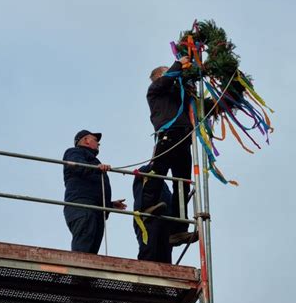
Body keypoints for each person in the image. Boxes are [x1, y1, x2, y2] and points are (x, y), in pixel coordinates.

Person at [140, 57, 198, 246]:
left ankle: (179, 229)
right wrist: (179, 64)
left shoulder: (177, 94)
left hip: (183, 139)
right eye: (166, 71)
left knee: (182, 184)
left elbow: (197, 107)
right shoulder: (156, 90)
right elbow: (167, 80)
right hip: (168, 135)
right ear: (158, 76)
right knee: (158, 172)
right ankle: (147, 206)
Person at [63, 130, 126, 254]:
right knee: (84, 246)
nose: (98, 144)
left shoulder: (92, 160)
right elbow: (77, 165)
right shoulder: (74, 152)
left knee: (91, 250)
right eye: (96, 140)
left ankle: (83, 272)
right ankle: (78, 271)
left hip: (95, 209)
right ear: (86, 140)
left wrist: (110, 204)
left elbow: (92, 190)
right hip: (83, 207)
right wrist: (96, 169)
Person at [133, 164, 172, 263]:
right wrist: (157, 162)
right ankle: (145, 274)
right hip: (147, 218)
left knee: (165, 254)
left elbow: (168, 199)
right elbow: (140, 172)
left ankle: (165, 275)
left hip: (163, 219)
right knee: (149, 250)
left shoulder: (163, 184)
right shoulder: (145, 171)